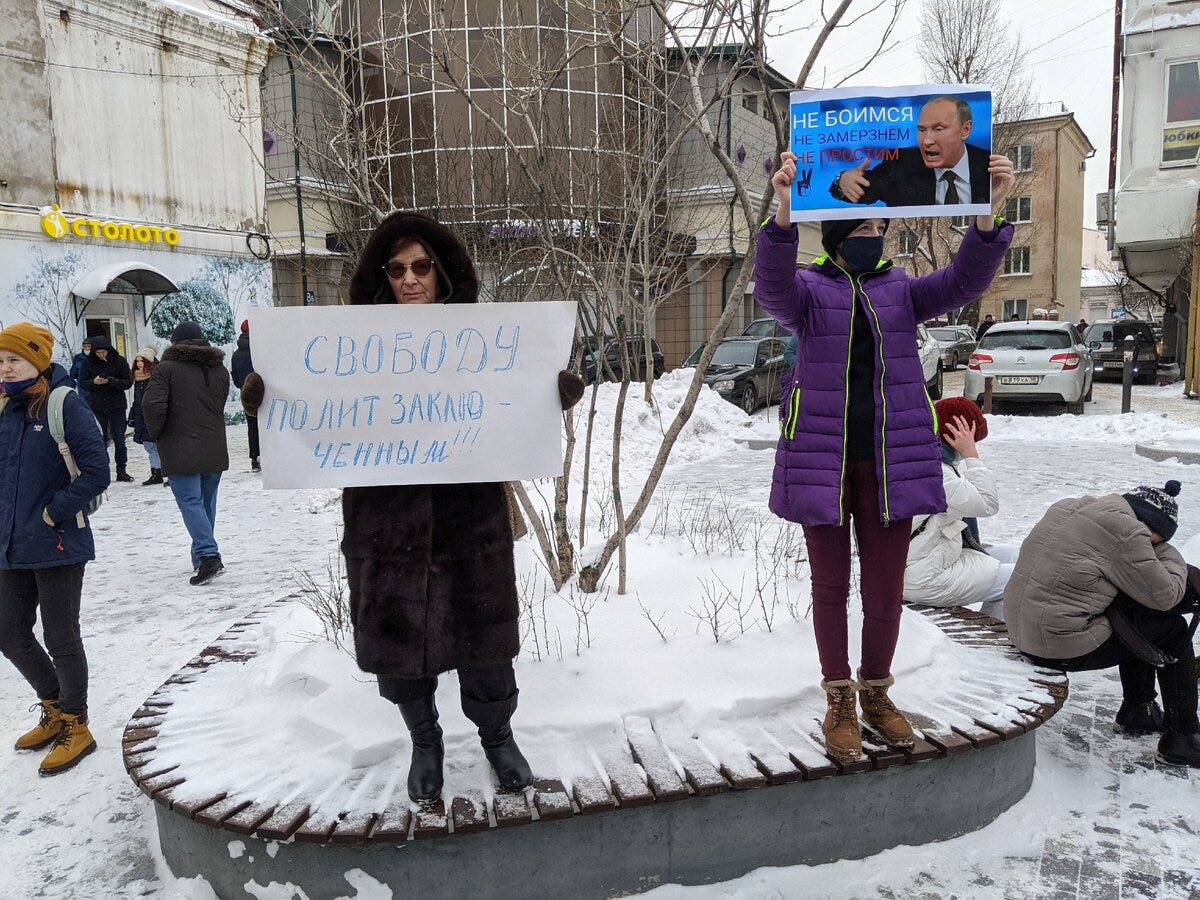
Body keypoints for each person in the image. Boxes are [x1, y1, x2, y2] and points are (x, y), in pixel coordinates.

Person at [242, 212, 585, 802]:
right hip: (384, 525)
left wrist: (550, 393)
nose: (409, 279)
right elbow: (313, 412)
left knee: (485, 642)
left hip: (468, 519)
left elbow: (515, 404)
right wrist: (268, 401)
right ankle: (424, 743)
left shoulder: (486, 339)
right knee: (402, 645)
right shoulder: (346, 349)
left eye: (421, 266)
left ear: (442, 272)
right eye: (396, 269)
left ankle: (499, 738)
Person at [757, 148, 1014, 763]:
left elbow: (964, 283)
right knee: (829, 588)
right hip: (824, 465)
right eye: (867, 228)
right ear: (842, 232)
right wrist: (784, 215)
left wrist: (989, 217)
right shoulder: (809, 292)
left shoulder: (899, 291)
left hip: (892, 464)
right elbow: (770, 289)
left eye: (881, 228)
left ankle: (876, 692)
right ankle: (838, 698)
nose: (877, 237)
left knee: (884, 587)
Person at [1004, 481, 1200, 768]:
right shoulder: (1128, 533)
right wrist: (1170, 555)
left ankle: (1139, 710)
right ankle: (1182, 737)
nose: (1154, 546)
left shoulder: (1070, 506)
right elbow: (1165, 596)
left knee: (1138, 618)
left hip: (1023, 629)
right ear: (1149, 526)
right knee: (1171, 629)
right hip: (1059, 645)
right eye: (1157, 541)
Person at [0, 323, 109, 775]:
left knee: (61, 636)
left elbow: (96, 471)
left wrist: (54, 512)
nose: (6, 368)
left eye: (15, 360)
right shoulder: (5, 407)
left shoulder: (66, 405)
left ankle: (76, 725)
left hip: (58, 540)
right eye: (1, 361)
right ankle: (53, 707)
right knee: (8, 632)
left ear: (39, 361)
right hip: (10, 543)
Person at [902, 398, 1017, 620]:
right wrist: (972, 456)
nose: (975, 445)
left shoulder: (926, 459)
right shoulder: (935, 473)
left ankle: (994, 632)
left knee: (1018, 555)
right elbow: (987, 503)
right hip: (924, 576)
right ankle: (994, 642)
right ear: (955, 434)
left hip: (928, 558)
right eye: (974, 439)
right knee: (1021, 578)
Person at [141, 321, 230, 586]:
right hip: (213, 445)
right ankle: (200, 557)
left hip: (180, 447)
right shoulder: (218, 368)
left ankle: (208, 555)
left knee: (191, 503)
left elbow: (152, 404)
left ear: (174, 342)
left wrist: (158, 434)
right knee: (206, 503)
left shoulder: (166, 369)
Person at [829, 96, 991, 208]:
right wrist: (842, 181)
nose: (926, 141)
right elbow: (865, 189)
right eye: (922, 130)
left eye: (938, 129)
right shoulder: (902, 165)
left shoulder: (988, 166)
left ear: (965, 129)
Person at [79, 335, 133, 482]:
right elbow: (83, 383)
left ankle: (122, 470)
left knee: (119, 440)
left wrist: (113, 381)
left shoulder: (120, 361)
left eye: (104, 352)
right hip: (98, 406)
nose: (101, 355)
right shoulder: (88, 364)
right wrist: (94, 382)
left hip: (117, 406)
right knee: (100, 440)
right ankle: (103, 471)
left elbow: (128, 382)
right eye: (98, 353)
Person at [129, 348, 165, 486]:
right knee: (150, 446)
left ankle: (162, 471)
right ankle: (156, 471)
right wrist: (133, 415)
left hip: (153, 415)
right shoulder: (138, 378)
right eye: (137, 361)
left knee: (158, 446)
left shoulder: (156, 377)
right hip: (142, 415)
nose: (139, 364)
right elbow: (137, 400)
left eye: (142, 361)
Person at [230, 319, 260, 474]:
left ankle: (255, 458)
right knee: (266, 425)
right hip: (264, 392)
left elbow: (234, 376)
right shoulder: (260, 350)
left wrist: (243, 385)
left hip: (246, 393)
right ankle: (268, 455)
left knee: (252, 426)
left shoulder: (236, 355)